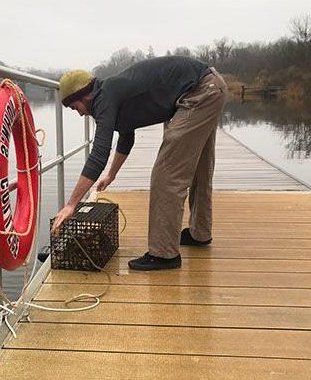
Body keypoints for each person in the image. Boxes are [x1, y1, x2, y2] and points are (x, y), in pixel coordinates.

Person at [51, 55, 228, 271]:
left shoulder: (105, 96)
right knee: (199, 168)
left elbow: (99, 154)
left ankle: (164, 255)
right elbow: (126, 137)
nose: (78, 113)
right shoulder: (110, 95)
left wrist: (71, 204)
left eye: (74, 106)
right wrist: (111, 175)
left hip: (200, 93)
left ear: (84, 96)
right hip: (208, 87)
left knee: (166, 175)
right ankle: (199, 234)